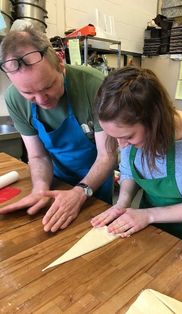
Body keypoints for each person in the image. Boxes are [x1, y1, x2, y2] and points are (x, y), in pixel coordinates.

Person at [91, 66, 182, 255]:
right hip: (149, 233)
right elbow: (128, 171)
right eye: (115, 137)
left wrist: (149, 215)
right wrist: (122, 203)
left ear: (154, 121)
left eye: (129, 137)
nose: (122, 146)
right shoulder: (127, 135)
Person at [0, 26, 116, 232]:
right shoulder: (14, 98)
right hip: (57, 182)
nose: (42, 99)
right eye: (29, 93)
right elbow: (37, 156)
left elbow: (107, 155)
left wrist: (81, 192)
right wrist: (41, 190)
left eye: (48, 86)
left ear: (60, 64)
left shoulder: (94, 86)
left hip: (95, 186)